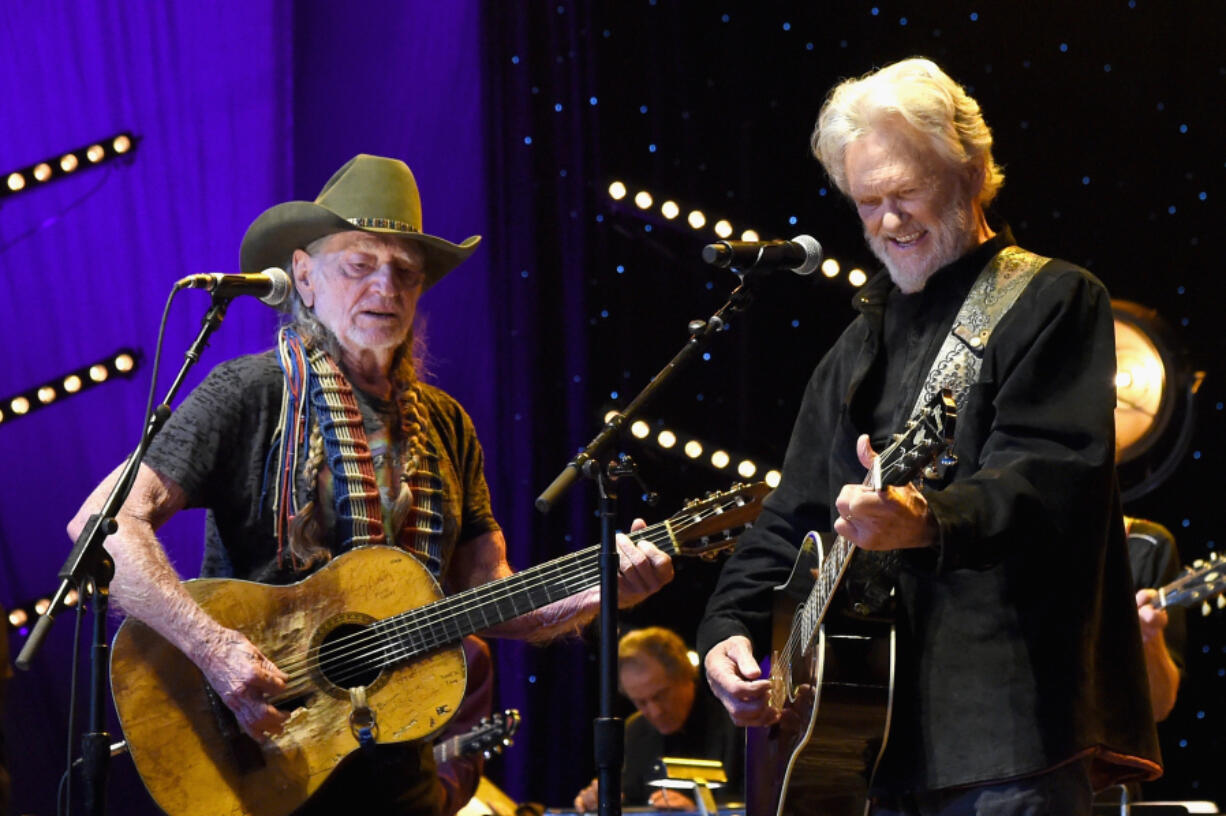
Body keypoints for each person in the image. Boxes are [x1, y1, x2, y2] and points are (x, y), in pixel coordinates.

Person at [68, 154, 674, 815]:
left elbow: (487, 593)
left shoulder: (445, 425)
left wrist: (597, 592)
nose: (386, 287)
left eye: (406, 273)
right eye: (359, 264)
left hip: (401, 782)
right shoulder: (247, 394)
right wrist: (213, 650)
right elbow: (102, 527)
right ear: (303, 276)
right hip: (256, 760)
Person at [697, 58, 1161, 815]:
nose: (887, 220)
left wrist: (926, 520)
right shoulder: (854, 346)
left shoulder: (1052, 298)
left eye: (906, 192)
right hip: (861, 757)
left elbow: (1049, 477)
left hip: (1008, 738)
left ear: (970, 172)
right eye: (867, 201)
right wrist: (727, 631)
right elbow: (791, 519)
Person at [572, 627, 742, 812]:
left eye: (660, 695)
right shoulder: (635, 730)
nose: (655, 712)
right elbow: (631, 799)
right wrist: (603, 800)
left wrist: (697, 811)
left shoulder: (736, 719)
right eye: (640, 702)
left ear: (686, 675)